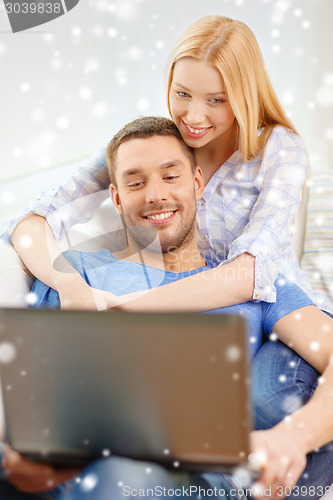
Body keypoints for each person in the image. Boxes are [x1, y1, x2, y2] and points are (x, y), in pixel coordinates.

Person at [1, 117, 333, 500]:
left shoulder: (255, 285)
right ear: (117, 197)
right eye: (136, 182)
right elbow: (31, 385)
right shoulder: (76, 273)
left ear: (196, 183)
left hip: (212, 483)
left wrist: (294, 438)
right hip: (85, 472)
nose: (155, 194)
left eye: (170, 176)